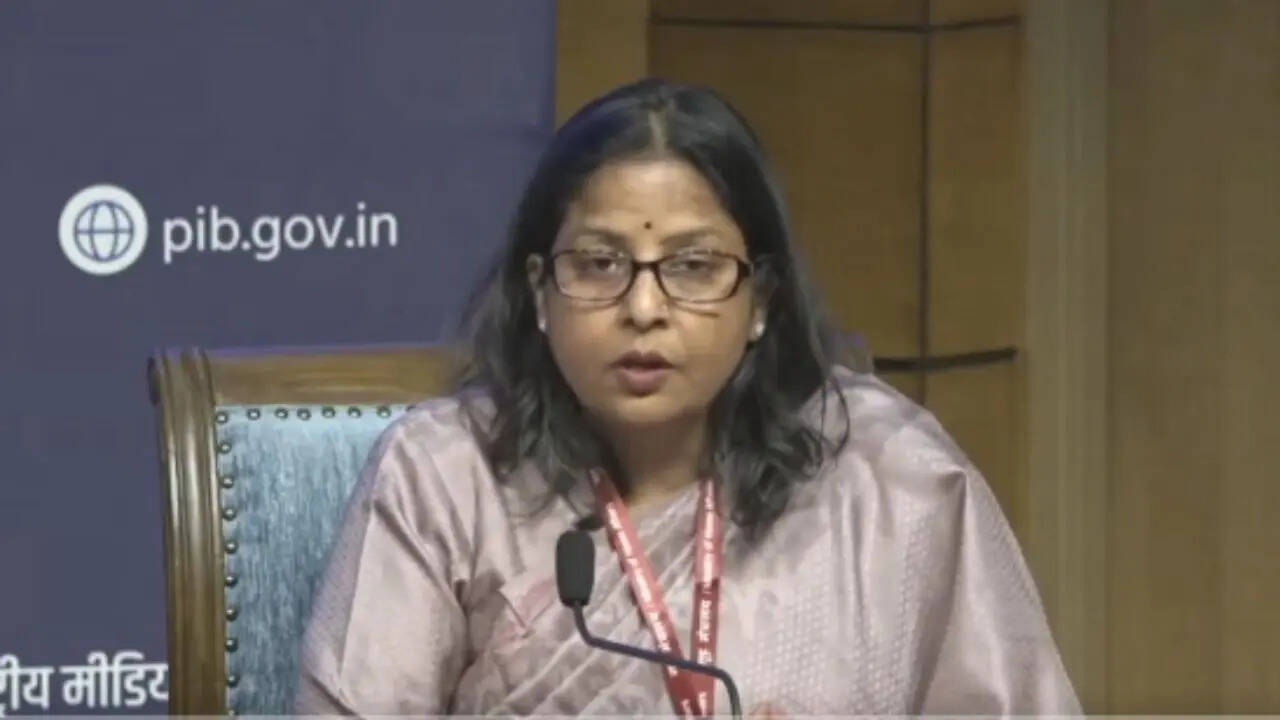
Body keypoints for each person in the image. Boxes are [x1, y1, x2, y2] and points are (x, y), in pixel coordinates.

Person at [295, 79, 1080, 717]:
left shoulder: (887, 479)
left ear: (760, 298)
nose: (644, 309)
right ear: (539, 292)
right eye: (600, 264)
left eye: (693, 266)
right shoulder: (444, 476)